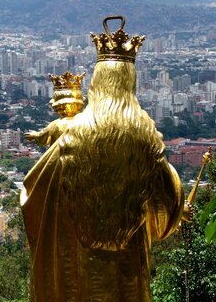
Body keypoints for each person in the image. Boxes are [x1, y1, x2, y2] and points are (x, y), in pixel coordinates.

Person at [21, 16, 186, 302]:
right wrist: (167, 173)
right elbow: (162, 222)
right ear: (130, 86)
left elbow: (32, 198)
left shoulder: (68, 141)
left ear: (96, 85)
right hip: (127, 279)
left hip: (73, 277)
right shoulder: (146, 144)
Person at [25, 71, 86, 147]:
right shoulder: (84, 123)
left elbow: (43, 137)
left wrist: (34, 135)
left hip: (60, 155)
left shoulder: (56, 124)